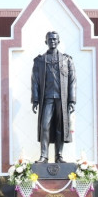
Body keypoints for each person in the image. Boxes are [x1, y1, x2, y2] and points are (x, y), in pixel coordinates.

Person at [31, 30, 76, 163]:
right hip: (47, 98)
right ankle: (44, 156)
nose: (52, 41)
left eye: (54, 39)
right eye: (50, 39)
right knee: (45, 126)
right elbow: (35, 81)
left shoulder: (67, 60)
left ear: (58, 41)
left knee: (60, 127)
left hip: (62, 99)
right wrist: (35, 99)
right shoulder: (39, 61)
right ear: (46, 41)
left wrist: (71, 100)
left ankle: (59, 155)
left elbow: (72, 81)